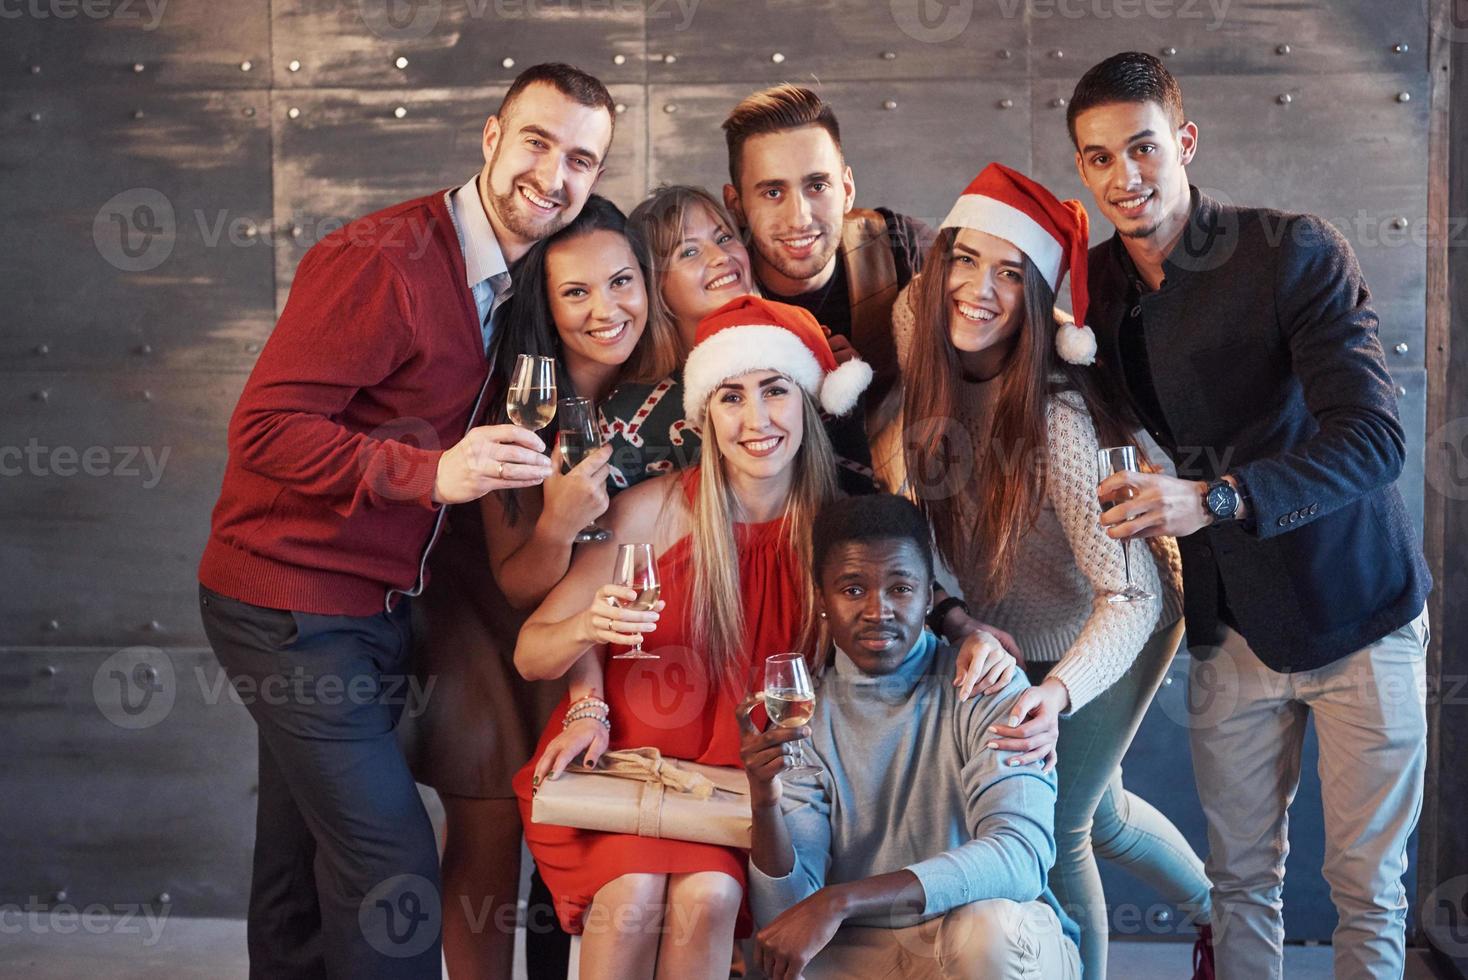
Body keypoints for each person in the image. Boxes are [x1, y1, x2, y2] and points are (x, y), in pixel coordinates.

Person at [196, 62, 609, 979]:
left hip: (368, 610)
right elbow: (263, 429)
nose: (554, 174)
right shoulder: (381, 260)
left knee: (299, 868)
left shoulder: (517, 278)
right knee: (393, 871)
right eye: (537, 142)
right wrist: (430, 472)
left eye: (582, 159)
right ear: (491, 138)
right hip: (290, 607)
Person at [1067, 52, 1432, 979]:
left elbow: (1376, 438)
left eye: (1143, 148)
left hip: (1359, 607)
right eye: (1099, 158)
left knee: (1367, 888)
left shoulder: (1289, 249)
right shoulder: (1095, 290)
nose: (1125, 177)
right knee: (1238, 883)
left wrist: (1214, 499)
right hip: (1229, 626)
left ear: (1183, 142)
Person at [870, 162, 1214, 979]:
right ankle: (1223, 914)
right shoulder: (919, 321)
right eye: (966, 259)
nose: (979, 288)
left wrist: (1056, 693)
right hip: (1000, 627)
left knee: (1060, 824)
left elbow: (1128, 594)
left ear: (1037, 300)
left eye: (1011, 273)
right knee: (1105, 813)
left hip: (1104, 622)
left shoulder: (1056, 417)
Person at [509, 295, 872, 978]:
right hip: (626, 779)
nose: (756, 420)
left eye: (775, 391)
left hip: (743, 798)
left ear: (807, 404)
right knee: (633, 897)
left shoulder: (839, 532)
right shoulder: (651, 511)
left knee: (708, 894)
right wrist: (591, 631)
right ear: (705, 414)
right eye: (731, 397)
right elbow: (531, 651)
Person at [400, 195, 678, 979]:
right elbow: (519, 581)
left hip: (592, 628)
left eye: (621, 282)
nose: (606, 310)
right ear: (547, 308)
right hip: (487, 623)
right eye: (577, 294)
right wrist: (557, 521)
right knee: (488, 831)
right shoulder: (521, 407)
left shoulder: (668, 389)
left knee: (583, 838)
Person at [739, 493, 1082, 980]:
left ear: (928, 598)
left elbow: (1019, 858)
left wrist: (842, 899)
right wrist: (765, 802)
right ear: (821, 598)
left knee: (988, 930)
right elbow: (788, 914)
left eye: (900, 589)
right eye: (853, 589)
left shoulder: (987, 684)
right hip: (866, 949)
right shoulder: (801, 715)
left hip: (987, 944)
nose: (878, 610)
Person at [720, 84, 935, 485]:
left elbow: (1010, 313)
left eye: (817, 186)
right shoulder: (718, 281)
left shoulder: (900, 246)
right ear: (736, 206)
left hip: (894, 514)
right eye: (772, 191)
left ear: (847, 188)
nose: (799, 217)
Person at [599, 185, 755, 489]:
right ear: (656, 285)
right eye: (689, 251)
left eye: (724, 238)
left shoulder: (801, 372)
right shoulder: (624, 419)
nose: (720, 256)